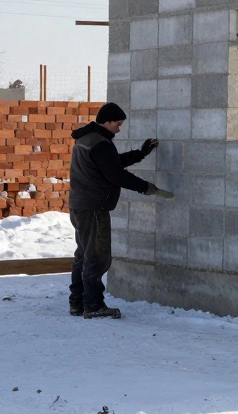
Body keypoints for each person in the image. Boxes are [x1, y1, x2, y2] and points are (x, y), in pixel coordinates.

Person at [68, 103, 171, 319]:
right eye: (118, 123)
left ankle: (77, 302)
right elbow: (115, 174)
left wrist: (140, 153)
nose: (119, 128)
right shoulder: (100, 144)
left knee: (84, 254)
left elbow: (111, 164)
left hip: (80, 205)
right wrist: (147, 188)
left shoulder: (86, 140)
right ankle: (93, 305)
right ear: (107, 121)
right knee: (97, 257)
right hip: (94, 207)